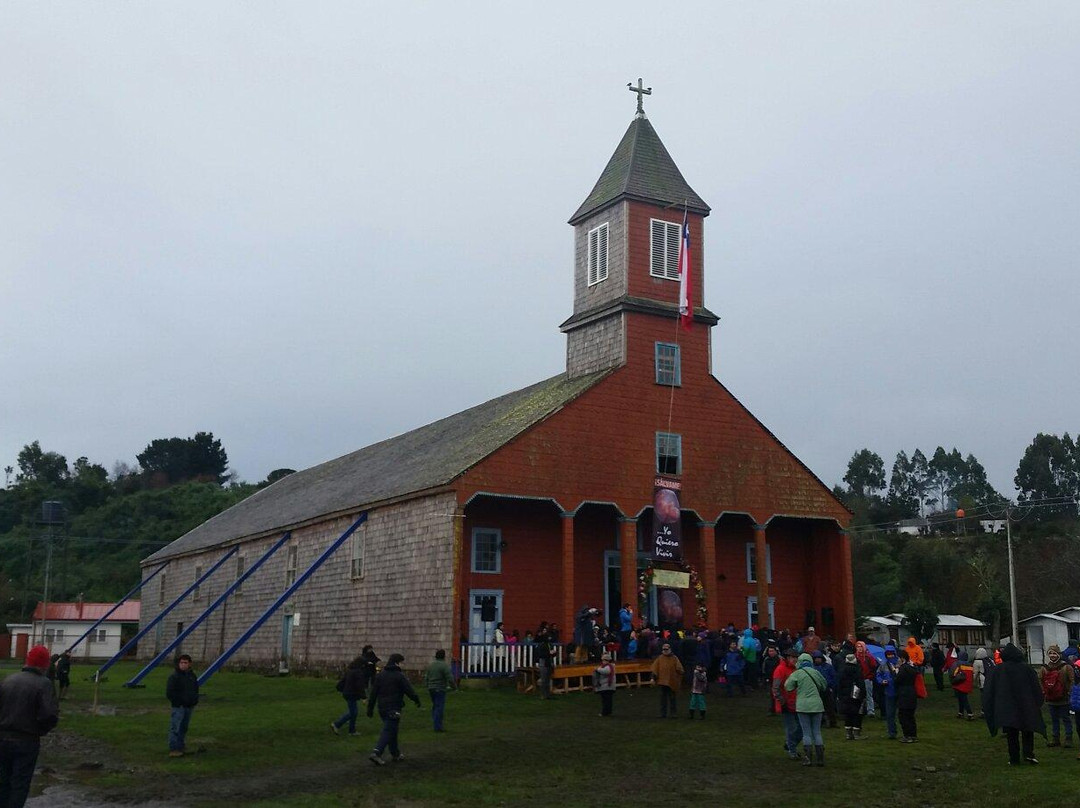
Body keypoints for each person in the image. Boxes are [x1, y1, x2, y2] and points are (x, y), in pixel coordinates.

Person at [0, 645, 59, 808]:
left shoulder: (8, 680)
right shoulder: (44, 684)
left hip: (3, 739)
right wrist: (40, 730)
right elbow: (49, 714)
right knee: (20, 784)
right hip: (26, 741)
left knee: (4, 782)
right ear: (44, 664)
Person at [984, 642, 1045, 765]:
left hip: (1007, 707)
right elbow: (1036, 687)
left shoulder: (998, 670)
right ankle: (1029, 754)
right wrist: (1038, 702)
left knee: (1012, 734)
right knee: (1028, 729)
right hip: (1026, 705)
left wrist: (992, 705)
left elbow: (990, 689)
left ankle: (1014, 758)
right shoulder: (1027, 668)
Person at [367, 653, 421, 765]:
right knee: (388, 730)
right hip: (394, 707)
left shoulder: (380, 675)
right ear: (397, 663)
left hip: (382, 708)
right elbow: (408, 690)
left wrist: (370, 708)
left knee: (392, 729)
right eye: (402, 662)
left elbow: (373, 693)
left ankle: (395, 753)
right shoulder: (399, 676)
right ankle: (377, 752)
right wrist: (416, 699)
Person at [785, 652, 827, 766]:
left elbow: (788, 687)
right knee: (817, 732)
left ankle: (808, 758)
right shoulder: (816, 672)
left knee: (806, 733)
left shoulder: (797, 673)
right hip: (817, 705)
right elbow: (824, 685)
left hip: (803, 706)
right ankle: (820, 758)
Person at [1037, 644, 1074, 748]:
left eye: (1054, 653)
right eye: (1050, 653)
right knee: (1055, 720)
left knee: (1066, 719)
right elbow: (1040, 681)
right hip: (1051, 698)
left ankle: (1068, 738)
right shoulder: (1044, 668)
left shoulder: (1066, 667)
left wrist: (1070, 692)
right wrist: (1043, 691)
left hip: (1064, 698)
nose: (1052, 655)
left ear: (1059, 654)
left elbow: (1072, 681)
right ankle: (1056, 739)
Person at [166, 654, 199, 757]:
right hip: (179, 706)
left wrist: (194, 700)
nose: (183, 665)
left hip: (189, 706)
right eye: (181, 663)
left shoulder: (192, 676)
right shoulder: (174, 677)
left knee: (183, 728)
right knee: (175, 727)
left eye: (185, 663)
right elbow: (170, 692)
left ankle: (180, 746)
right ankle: (174, 748)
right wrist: (178, 702)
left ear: (189, 664)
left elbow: (195, 689)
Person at [774, 648, 803, 758]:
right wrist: (782, 701)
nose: (795, 659)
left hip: (796, 702)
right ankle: (792, 750)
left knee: (800, 727)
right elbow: (775, 688)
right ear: (787, 658)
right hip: (786, 703)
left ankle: (790, 745)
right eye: (792, 657)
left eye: (796, 657)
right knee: (791, 728)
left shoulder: (795, 669)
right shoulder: (780, 669)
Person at [331, 655, 368, 736]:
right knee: (353, 713)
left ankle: (352, 730)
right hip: (352, 694)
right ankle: (337, 724)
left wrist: (339, 689)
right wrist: (364, 697)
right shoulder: (358, 672)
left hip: (347, 693)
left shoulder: (350, 670)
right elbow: (360, 686)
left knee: (353, 712)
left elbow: (343, 681)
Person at [423, 649, 455, 732]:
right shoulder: (444, 666)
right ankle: (437, 727)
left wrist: (427, 686)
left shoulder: (431, 665)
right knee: (439, 707)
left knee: (435, 706)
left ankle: (435, 722)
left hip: (431, 688)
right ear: (444, 656)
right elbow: (450, 678)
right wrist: (454, 687)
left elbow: (426, 677)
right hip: (440, 688)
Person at [650, 642, 684, 718]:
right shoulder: (660, 658)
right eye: (664, 649)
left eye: (666, 649)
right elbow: (655, 669)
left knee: (672, 698)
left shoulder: (674, 658)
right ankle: (663, 713)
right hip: (662, 682)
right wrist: (653, 678)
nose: (665, 650)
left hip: (672, 681)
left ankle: (673, 713)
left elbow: (680, 669)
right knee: (663, 699)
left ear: (670, 649)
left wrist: (679, 676)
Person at [839, 652, 867, 740]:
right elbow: (861, 683)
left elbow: (839, 683)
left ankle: (848, 733)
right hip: (856, 695)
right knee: (857, 713)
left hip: (845, 695)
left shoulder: (842, 669)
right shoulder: (857, 669)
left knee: (848, 713)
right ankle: (856, 733)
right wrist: (863, 694)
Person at [894, 649, 919, 743]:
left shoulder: (903, 669)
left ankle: (907, 735)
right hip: (912, 692)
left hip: (904, 693)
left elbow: (897, 681)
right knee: (911, 716)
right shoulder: (912, 668)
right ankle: (913, 735)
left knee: (903, 716)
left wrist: (896, 671)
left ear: (902, 658)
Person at [875, 645, 900, 739]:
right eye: (888, 654)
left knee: (901, 714)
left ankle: (904, 732)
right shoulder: (883, 665)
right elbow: (878, 675)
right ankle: (892, 732)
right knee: (890, 714)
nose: (890, 656)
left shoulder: (899, 663)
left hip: (898, 691)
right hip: (889, 691)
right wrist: (881, 681)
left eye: (891, 654)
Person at [813, 650, 838, 729]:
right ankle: (821, 722)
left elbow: (834, 677)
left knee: (830, 707)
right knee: (818, 708)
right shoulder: (813, 667)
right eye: (816, 658)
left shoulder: (828, 667)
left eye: (819, 658)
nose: (817, 660)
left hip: (827, 689)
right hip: (817, 690)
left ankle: (832, 722)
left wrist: (832, 687)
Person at [854, 641, 878, 717]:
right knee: (858, 695)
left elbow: (874, 667)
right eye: (858, 647)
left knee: (869, 695)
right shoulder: (854, 656)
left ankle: (870, 711)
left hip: (867, 678)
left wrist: (871, 676)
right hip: (858, 679)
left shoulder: (869, 656)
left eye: (861, 646)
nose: (859, 648)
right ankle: (859, 711)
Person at [950, 650, 975, 719]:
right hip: (968, 684)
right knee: (962, 698)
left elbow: (953, 673)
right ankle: (960, 712)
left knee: (963, 699)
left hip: (960, 684)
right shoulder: (970, 665)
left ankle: (970, 713)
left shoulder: (957, 663)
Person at [535, 629, 555, 700]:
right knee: (543, 680)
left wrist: (554, 653)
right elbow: (541, 655)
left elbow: (552, 654)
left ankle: (548, 695)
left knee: (548, 680)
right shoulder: (542, 645)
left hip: (549, 663)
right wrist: (549, 653)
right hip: (543, 663)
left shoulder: (550, 645)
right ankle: (543, 695)